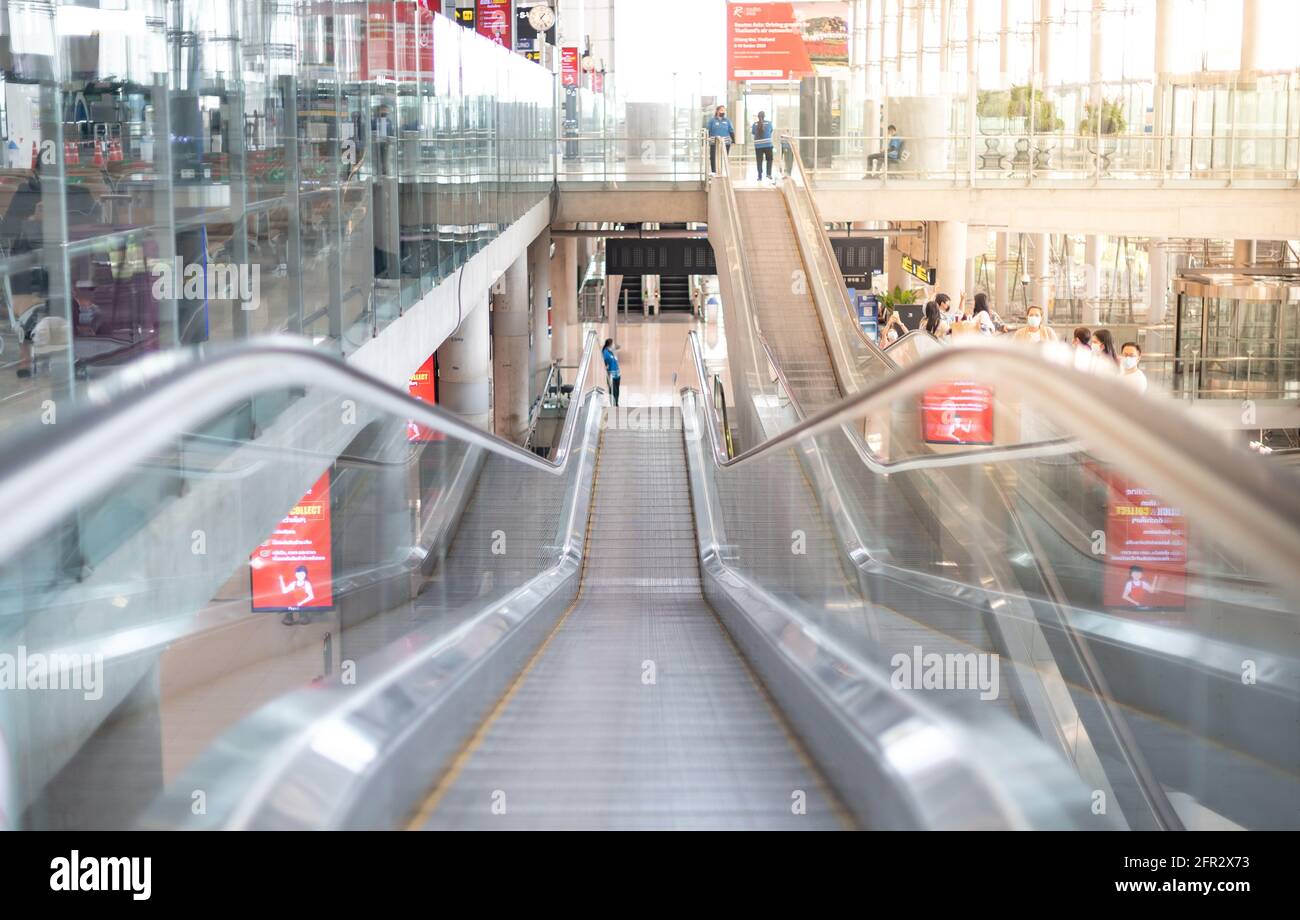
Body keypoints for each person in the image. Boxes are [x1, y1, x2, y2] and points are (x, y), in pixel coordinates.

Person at [707, 105, 735, 174]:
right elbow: (708, 130)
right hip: (714, 142)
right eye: (721, 110)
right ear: (717, 111)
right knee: (713, 157)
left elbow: (731, 130)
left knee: (724, 157)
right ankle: (714, 172)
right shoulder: (712, 121)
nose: (723, 111)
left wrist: (733, 140)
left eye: (724, 110)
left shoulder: (727, 121)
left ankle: (723, 171)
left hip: (726, 142)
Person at [751, 111, 774, 181]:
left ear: (758, 117)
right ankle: (768, 174)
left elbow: (753, 132)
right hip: (768, 144)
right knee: (769, 159)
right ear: (764, 116)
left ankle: (759, 176)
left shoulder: (754, 124)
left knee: (759, 161)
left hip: (758, 146)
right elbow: (771, 131)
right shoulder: (769, 123)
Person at [602, 337, 621, 407]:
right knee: (613, 391)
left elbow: (618, 347)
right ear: (609, 344)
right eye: (612, 343)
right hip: (611, 375)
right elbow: (604, 364)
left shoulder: (611, 352)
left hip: (617, 375)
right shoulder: (605, 353)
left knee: (617, 390)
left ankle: (616, 403)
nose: (613, 345)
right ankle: (613, 404)